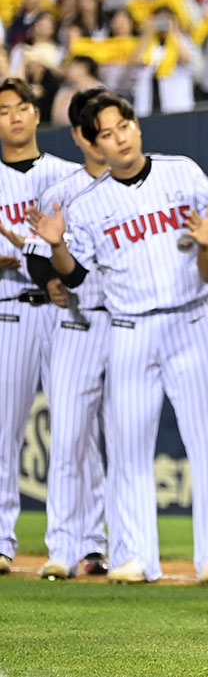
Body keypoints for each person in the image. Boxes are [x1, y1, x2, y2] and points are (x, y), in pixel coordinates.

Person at [29, 91, 208, 584]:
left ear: (137, 126)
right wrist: (55, 244)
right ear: (93, 142)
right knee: (130, 447)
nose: (118, 139)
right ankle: (137, 555)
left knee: (206, 441)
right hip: (129, 328)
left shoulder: (182, 171)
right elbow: (74, 278)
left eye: (123, 127)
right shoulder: (90, 204)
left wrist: (206, 246)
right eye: (105, 133)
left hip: (189, 320)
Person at [24, 86, 110, 580]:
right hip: (76, 322)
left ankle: (104, 545)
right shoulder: (61, 191)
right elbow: (39, 258)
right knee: (70, 439)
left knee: (117, 441)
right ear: (79, 135)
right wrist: (53, 282)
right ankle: (60, 546)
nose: (106, 135)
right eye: (95, 126)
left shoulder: (135, 184)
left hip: (122, 322)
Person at [0, 79, 81, 577]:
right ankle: (1, 542)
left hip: (63, 309)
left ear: (35, 113)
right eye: (3, 109)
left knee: (75, 431)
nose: (13, 116)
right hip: (8, 307)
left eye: (21, 107)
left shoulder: (68, 176)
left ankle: (77, 545)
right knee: (3, 433)